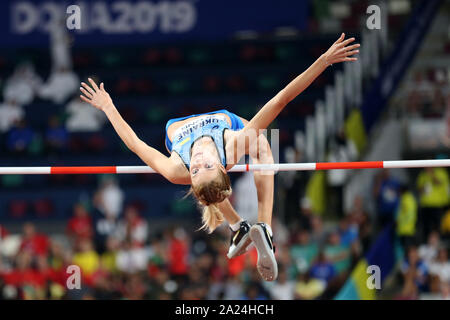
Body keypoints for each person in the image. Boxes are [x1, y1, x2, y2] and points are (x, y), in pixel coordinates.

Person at [79, 33, 360, 281]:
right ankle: (265, 225)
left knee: (219, 180)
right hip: (229, 124)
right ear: (224, 167)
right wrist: (323, 61)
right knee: (262, 144)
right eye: (207, 165)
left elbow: (135, 144)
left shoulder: (176, 169)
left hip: (182, 130)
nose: (199, 159)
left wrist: (108, 107)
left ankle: (239, 226)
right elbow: (281, 100)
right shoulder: (233, 147)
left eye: (196, 169)